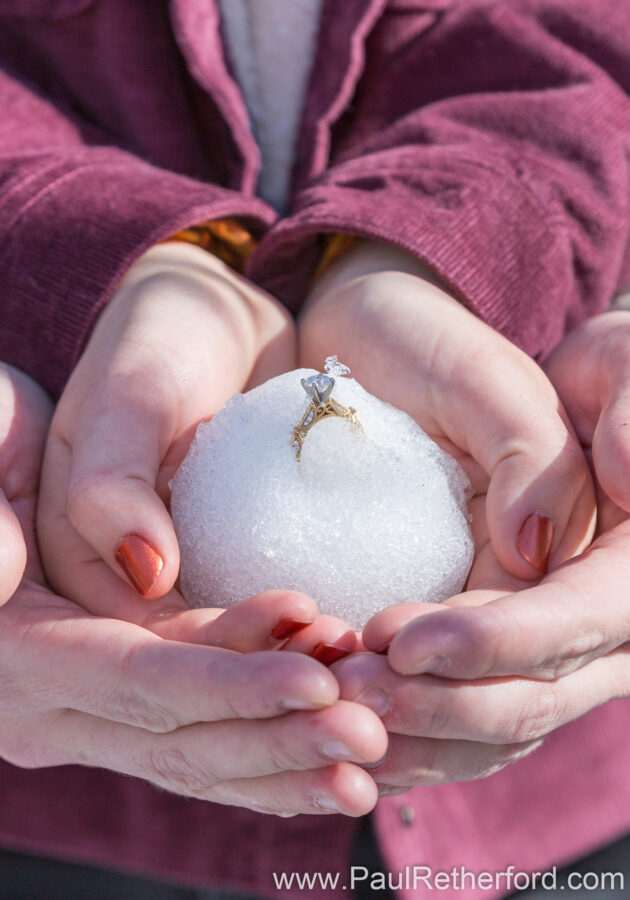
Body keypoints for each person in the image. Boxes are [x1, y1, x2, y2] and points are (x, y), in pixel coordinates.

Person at [0, 1, 630, 898]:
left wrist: (421, 260)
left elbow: (577, 46)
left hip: (563, 802)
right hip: (69, 808)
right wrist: (129, 268)